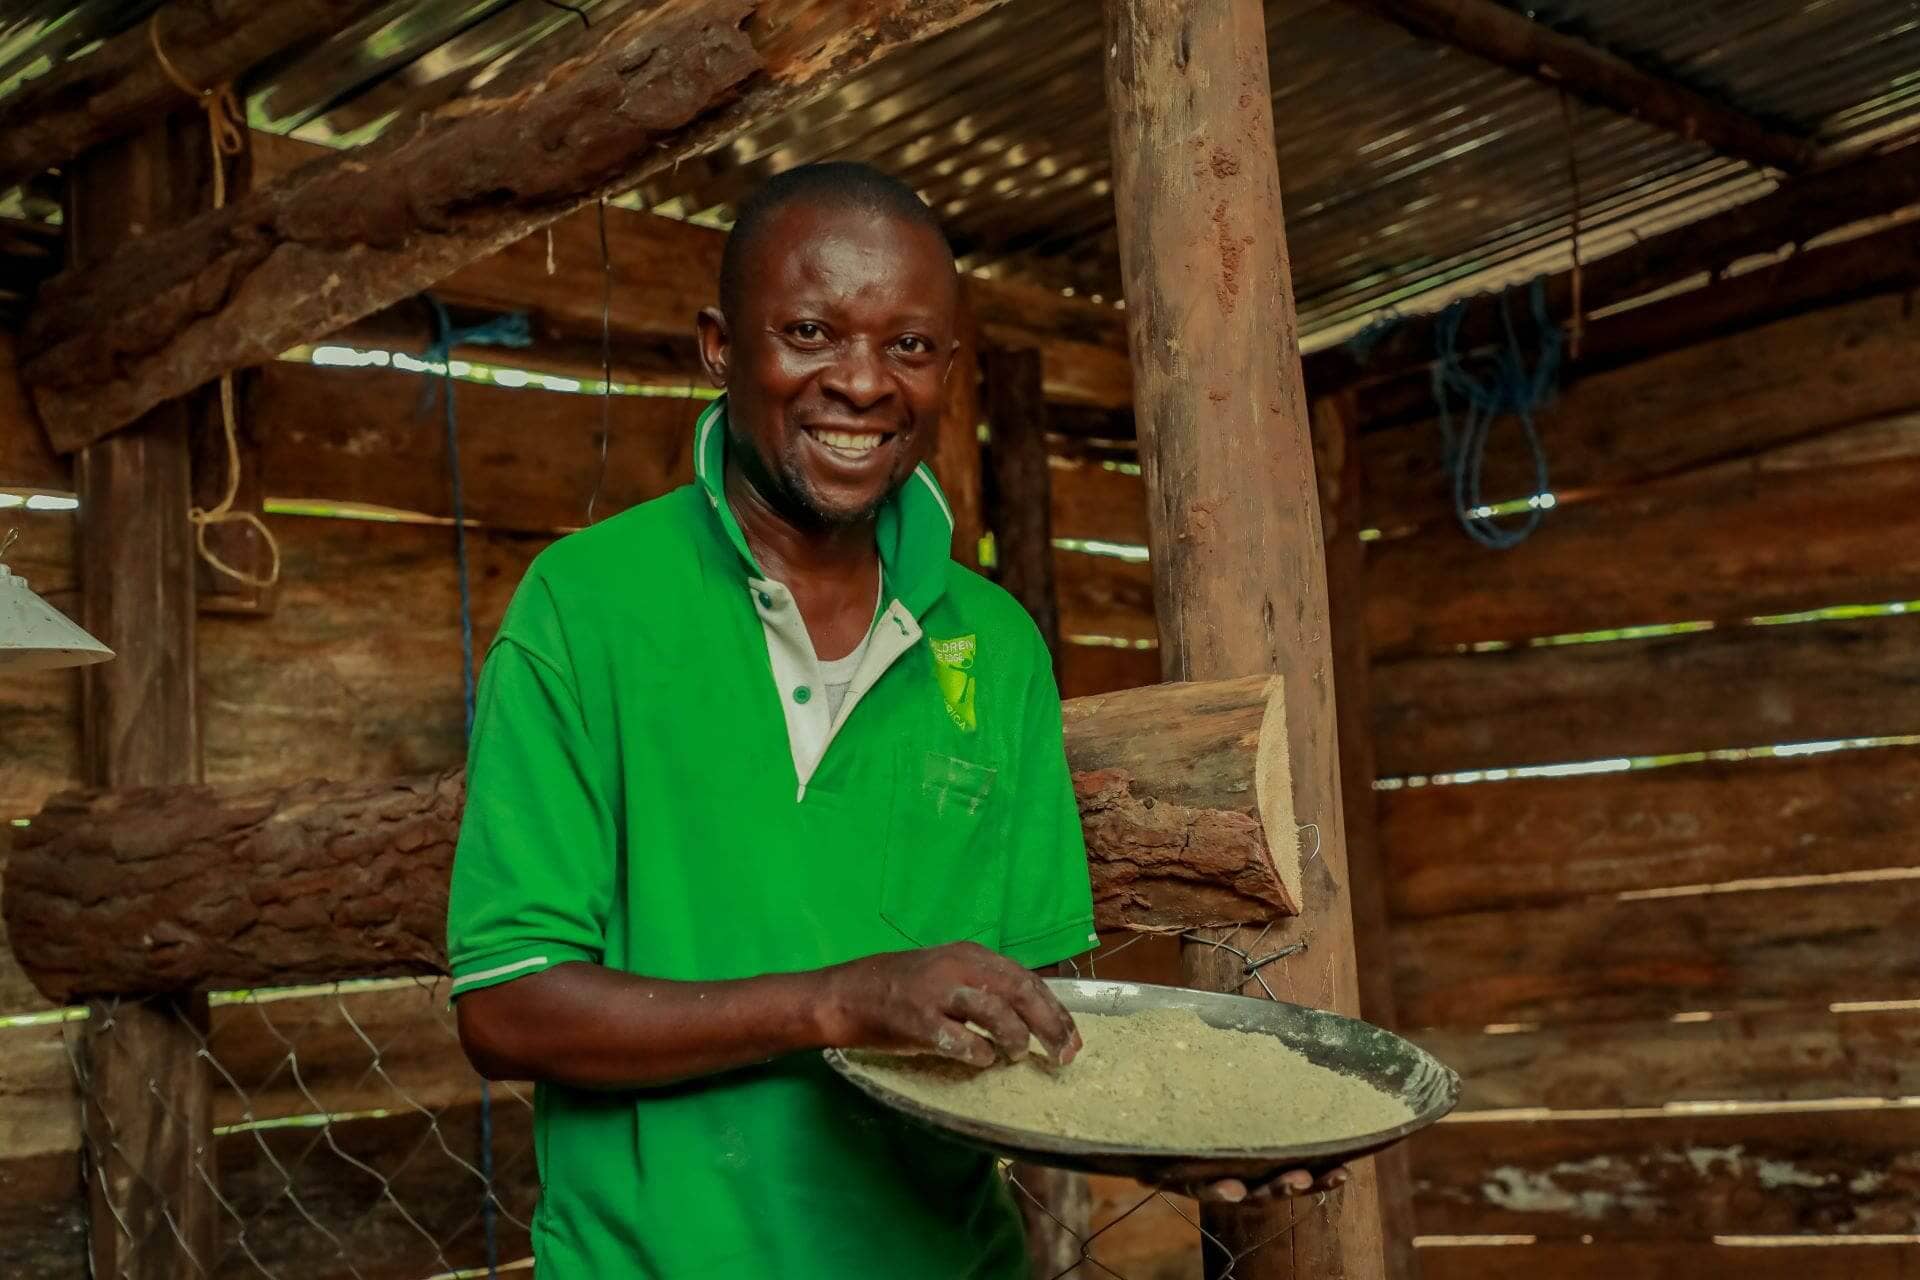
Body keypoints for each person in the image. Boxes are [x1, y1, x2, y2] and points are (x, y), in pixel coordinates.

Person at [448, 161, 1340, 1279]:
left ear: (948, 367)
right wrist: (836, 999)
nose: (863, 382)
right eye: (813, 330)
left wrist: (1161, 1140)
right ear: (721, 346)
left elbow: (1036, 1016)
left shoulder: (994, 646)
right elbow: (508, 1003)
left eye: (908, 346)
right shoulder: (588, 606)